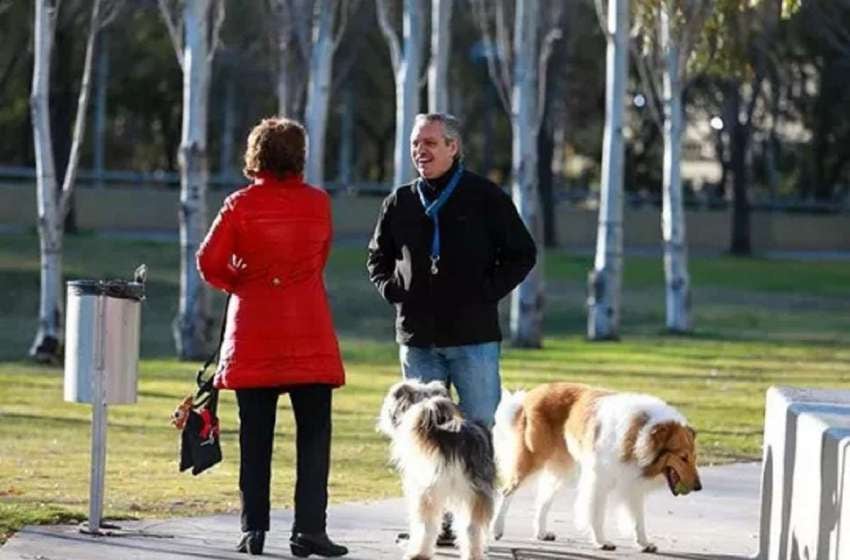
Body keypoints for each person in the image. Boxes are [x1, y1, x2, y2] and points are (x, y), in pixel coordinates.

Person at [367, 112, 537, 544]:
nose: (420, 152)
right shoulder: (400, 201)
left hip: (473, 337)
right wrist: (394, 291)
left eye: (429, 144)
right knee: (425, 434)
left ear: (452, 147)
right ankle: (434, 524)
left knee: (479, 430)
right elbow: (377, 258)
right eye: (415, 144)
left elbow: (523, 253)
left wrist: (487, 292)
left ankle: (474, 524)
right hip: (419, 339)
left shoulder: (484, 196)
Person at [197, 117, 348, 558]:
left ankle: (254, 530)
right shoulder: (318, 204)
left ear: (255, 155)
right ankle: (309, 530)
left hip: (254, 333)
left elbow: (208, 262)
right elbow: (319, 258)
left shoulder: (239, 205)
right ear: (299, 155)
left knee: (255, 437)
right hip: (309, 331)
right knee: (315, 436)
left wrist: (239, 282)